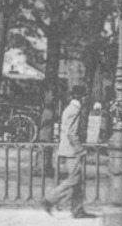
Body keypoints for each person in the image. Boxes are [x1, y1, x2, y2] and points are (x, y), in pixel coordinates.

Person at [40, 85, 96, 219]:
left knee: (77, 181)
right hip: (72, 151)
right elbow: (71, 133)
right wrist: (80, 149)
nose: (87, 98)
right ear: (82, 97)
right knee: (74, 180)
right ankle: (49, 199)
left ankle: (78, 211)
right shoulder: (74, 110)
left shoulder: (70, 108)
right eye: (86, 96)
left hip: (68, 149)